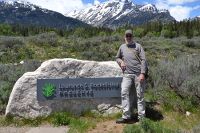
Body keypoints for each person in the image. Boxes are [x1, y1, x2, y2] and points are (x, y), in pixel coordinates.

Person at [115, 30, 147, 124]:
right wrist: (122, 62)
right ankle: (126, 116)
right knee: (124, 93)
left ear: (133, 37)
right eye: (127, 36)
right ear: (124, 37)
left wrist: (142, 73)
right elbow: (117, 57)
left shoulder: (138, 46)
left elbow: (144, 60)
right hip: (127, 74)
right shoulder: (122, 46)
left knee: (140, 95)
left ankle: (141, 117)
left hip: (138, 74)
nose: (128, 38)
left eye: (130, 36)